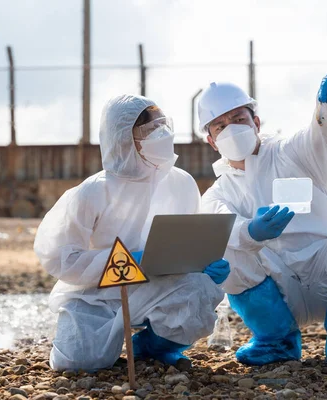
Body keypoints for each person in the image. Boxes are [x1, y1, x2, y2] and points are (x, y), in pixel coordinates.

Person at [198, 75, 327, 374]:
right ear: (211, 140)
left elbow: (325, 133)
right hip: (277, 294)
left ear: (256, 122)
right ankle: (276, 341)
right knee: (226, 250)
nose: (231, 129)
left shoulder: (293, 152)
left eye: (238, 118)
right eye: (220, 126)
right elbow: (219, 228)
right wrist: (250, 232)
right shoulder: (217, 194)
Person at [34, 94, 229, 372]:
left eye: (163, 126)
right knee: (79, 363)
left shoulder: (181, 183)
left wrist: (203, 265)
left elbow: (189, 240)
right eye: (150, 130)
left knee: (199, 290)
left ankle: (152, 347)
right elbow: (60, 257)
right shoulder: (94, 191)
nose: (161, 134)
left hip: (158, 284)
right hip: (96, 293)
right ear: (122, 137)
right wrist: (127, 261)